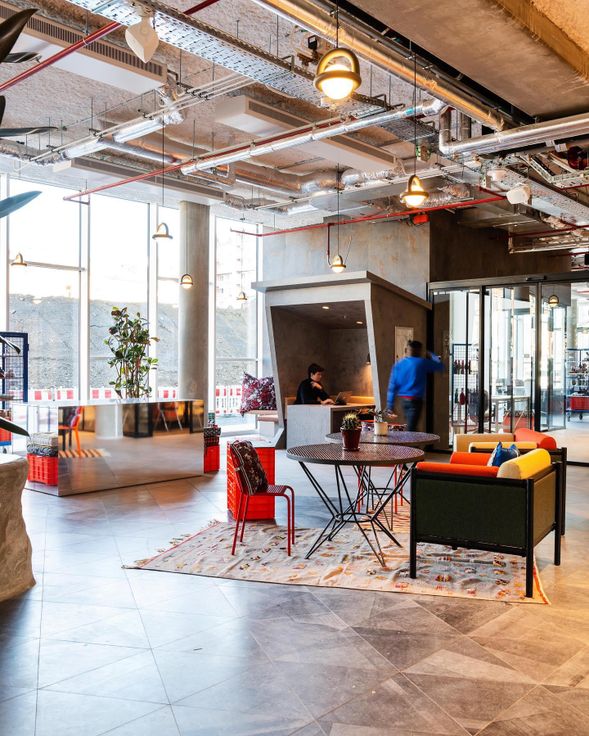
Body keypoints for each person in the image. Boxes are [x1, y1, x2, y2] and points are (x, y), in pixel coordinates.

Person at [386, 340, 444, 431]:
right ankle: (413, 440)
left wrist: (390, 405)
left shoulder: (399, 365)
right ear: (419, 351)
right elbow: (440, 366)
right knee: (411, 429)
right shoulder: (422, 363)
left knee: (411, 427)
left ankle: (415, 439)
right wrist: (431, 354)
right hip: (415, 401)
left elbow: (392, 386)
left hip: (403, 401)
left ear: (408, 350)